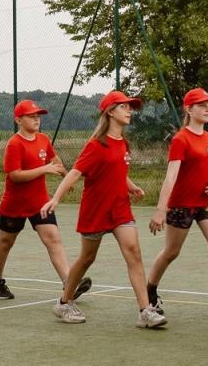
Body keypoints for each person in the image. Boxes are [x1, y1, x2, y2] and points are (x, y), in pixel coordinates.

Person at [41, 90, 165, 327]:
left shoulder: (124, 143)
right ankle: (64, 303)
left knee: (134, 254)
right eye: (124, 107)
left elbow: (118, 172)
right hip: (95, 210)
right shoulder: (96, 145)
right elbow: (76, 173)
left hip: (120, 209)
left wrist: (132, 187)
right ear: (110, 111)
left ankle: (145, 311)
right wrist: (56, 198)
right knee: (87, 258)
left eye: (130, 107)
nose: (129, 111)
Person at [146, 88, 208, 323]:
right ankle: (150, 292)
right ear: (189, 109)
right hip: (182, 205)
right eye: (202, 105)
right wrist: (161, 210)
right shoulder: (181, 139)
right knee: (171, 252)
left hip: (207, 203)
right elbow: (171, 177)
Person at [0, 99, 90, 304]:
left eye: (38, 116)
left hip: (40, 202)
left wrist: (65, 179)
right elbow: (15, 175)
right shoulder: (14, 144)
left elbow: (56, 161)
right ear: (18, 120)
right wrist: (44, 169)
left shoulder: (43, 139)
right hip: (14, 204)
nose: (36, 119)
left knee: (53, 238)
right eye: (31, 116)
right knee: (5, 242)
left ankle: (69, 282)